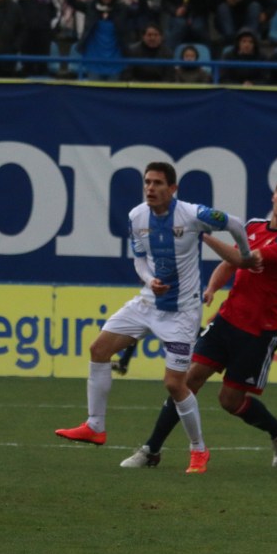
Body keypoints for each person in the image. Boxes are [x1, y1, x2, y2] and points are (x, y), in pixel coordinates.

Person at [55, 161, 259, 475]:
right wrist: (150, 280)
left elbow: (234, 222)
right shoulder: (136, 216)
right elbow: (139, 259)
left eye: (158, 183)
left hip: (182, 313)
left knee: (175, 384)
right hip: (148, 302)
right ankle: (95, 426)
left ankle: (198, 449)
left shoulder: (192, 214)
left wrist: (244, 255)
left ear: (172, 188)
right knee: (99, 349)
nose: (150, 188)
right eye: (147, 182)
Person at [121, 172, 277, 470]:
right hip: (227, 320)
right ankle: (151, 450)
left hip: (258, 331)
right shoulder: (254, 226)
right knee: (186, 381)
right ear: (273, 195)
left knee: (230, 401)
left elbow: (244, 260)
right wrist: (211, 289)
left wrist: (202, 234)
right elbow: (229, 263)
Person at [13, 0, 60, 77]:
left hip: (44, 31)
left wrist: (52, 26)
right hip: (26, 31)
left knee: (42, 66)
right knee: (26, 65)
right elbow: (13, 7)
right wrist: (19, 25)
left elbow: (58, 10)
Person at [78, 0, 129, 81]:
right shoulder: (90, 7)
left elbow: (142, 11)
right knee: (94, 90)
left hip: (115, 59)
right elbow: (71, 2)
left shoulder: (122, 9)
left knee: (112, 91)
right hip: (94, 59)